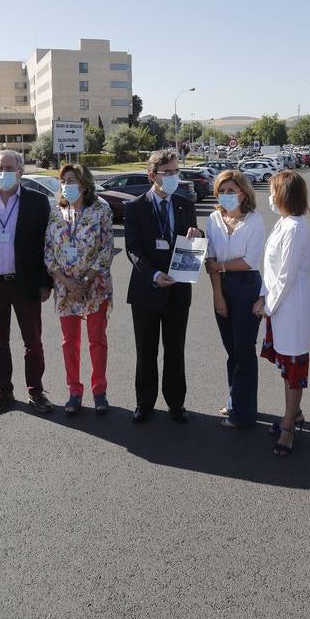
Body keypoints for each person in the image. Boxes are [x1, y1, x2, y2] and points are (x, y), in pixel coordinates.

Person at [0, 149, 54, 414]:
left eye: (9, 167)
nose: (3, 172)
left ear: (20, 171)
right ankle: (4, 392)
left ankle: (36, 392)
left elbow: (45, 245)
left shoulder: (37, 202)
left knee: (33, 342)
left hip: (25, 284)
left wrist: (45, 282)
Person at [124, 149, 203, 424]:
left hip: (178, 291)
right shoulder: (135, 207)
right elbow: (132, 249)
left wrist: (198, 234)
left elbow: (193, 239)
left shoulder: (185, 205)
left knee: (175, 350)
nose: (173, 177)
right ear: (151, 175)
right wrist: (154, 274)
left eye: (175, 172)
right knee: (146, 352)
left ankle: (176, 403)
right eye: (167, 173)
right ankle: (144, 403)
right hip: (147, 291)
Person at [45, 163, 114, 415]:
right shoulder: (56, 213)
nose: (67, 185)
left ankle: (99, 392)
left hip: (95, 287)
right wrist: (67, 282)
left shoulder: (101, 210)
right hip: (65, 289)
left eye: (72, 180)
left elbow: (107, 249)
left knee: (97, 341)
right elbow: (48, 252)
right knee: (69, 342)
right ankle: (74, 391)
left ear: (84, 184)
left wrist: (85, 281)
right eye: (64, 180)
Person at [255, 171, 310, 456]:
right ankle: (295, 412)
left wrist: (266, 304)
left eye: (272, 190)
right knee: (286, 367)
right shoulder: (284, 223)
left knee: (293, 369)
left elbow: (286, 276)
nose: (269, 196)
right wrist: (265, 298)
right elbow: (273, 271)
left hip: (291, 305)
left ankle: (288, 426)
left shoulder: (294, 228)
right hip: (280, 304)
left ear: (284, 194)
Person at [205, 170, 265, 428]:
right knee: (232, 352)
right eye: (222, 191)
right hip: (223, 288)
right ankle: (236, 401)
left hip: (246, 288)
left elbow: (250, 260)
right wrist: (218, 294)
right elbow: (210, 259)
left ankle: (244, 414)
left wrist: (220, 267)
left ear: (243, 192)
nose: (227, 196)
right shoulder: (213, 219)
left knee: (244, 352)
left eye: (231, 190)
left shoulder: (255, 220)